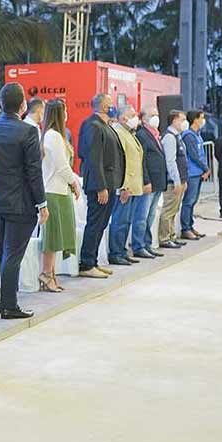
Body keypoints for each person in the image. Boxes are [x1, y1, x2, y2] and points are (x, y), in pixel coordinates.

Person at [0, 83, 48, 318]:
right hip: (19, 203)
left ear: (0, 103)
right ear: (23, 104)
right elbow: (33, 171)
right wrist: (42, 203)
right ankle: (9, 306)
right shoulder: (28, 131)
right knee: (12, 254)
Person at [77, 93, 124, 279]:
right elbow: (93, 158)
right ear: (103, 107)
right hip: (100, 184)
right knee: (95, 223)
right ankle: (87, 263)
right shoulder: (93, 126)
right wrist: (100, 186)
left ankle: (93, 261)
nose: (113, 107)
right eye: (110, 104)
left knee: (102, 224)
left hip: (109, 182)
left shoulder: (106, 125)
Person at [39, 98, 80, 293]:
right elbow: (62, 166)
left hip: (60, 191)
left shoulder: (55, 136)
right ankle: (46, 274)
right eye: (65, 111)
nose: (67, 114)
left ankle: (50, 273)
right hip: (54, 192)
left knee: (58, 237)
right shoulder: (53, 136)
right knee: (52, 237)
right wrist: (74, 183)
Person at [107, 106, 149, 265]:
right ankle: (115, 252)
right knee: (119, 221)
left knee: (127, 221)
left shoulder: (129, 133)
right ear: (123, 118)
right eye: (131, 115)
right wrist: (122, 186)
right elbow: (119, 162)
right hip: (125, 186)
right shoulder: (118, 132)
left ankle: (122, 251)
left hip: (133, 186)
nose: (135, 118)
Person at [132, 105, 167, 259]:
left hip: (158, 182)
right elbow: (142, 161)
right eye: (152, 114)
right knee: (141, 216)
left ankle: (147, 244)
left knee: (150, 216)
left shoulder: (155, 134)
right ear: (143, 118)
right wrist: (146, 181)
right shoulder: (142, 134)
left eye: (157, 114)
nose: (156, 117)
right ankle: (138, 245)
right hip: (148, 183)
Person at [158, 110, 189, 249]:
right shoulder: (170, 137)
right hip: (172, 182)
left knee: (174, 210)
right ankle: (164, 238)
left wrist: (183, 180)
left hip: (180, 180)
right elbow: (170, 161)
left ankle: (171, 236)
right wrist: (176, 180)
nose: (184, 123)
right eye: (182, 119)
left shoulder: (178, 137)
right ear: (174, 120)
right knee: (168, 210)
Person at [180, 110, 210, 239]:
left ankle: (190, 226)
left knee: (193, 201)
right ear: (195, 119)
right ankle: (185, 228)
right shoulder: (189, 136)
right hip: (192, 173)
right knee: (189, 201)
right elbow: (194, 155)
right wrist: (206, 168)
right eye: (201, 118)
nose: (203, 120)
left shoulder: (197, 134)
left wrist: (204, 170)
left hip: (198, 172)